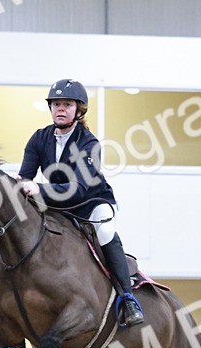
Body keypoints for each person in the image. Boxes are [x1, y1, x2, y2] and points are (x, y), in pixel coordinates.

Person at [17, 78, 144, 327]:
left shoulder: (89, 143)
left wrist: (38, 188)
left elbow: (77, 190)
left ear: (79, 110)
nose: (60, 109)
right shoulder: (39, 138)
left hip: (91, 202)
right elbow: (25, 176)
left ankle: (128, 298)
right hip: (56, 205)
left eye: (66, 104)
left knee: (105, 232)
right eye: (55, 104)